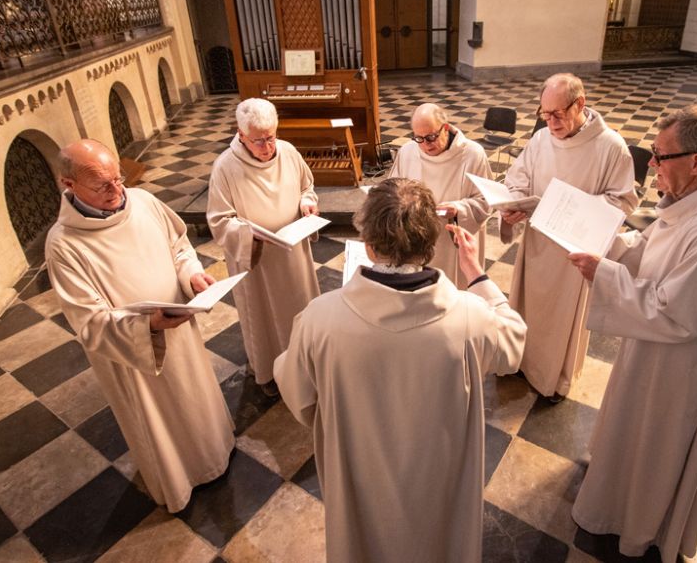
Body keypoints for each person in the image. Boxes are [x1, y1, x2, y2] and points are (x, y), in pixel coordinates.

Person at [273, 178, 526, 563]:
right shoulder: (471, 316)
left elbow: (299, 395)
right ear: (431, 245)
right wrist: (476, 274)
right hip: (439, 481)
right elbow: (514, 344)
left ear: (368, 244)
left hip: (360, 479)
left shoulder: (320, 318)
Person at [567, 104, 697, 562]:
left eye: (660, 155)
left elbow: (676, 314)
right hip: (657, 352)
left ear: (696, 162)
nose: (652, 164)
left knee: (654, 446)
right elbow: (654, 248)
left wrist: (605, 274)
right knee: (632, 434)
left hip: (679, 367)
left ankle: (634, 526)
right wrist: (609, 247)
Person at [45, 139, 234, 513]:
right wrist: (147, 325)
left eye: (118, 178)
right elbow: (90, 321)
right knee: (161, 419)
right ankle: (180, 481)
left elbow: (179, 247)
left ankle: (216, 451)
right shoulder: (64, 245)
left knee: (195, 397)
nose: (116, 190)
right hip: (136, 354)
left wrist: (192, 275)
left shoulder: (144, 203)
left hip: (180, 330)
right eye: (102, 185)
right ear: (68, 184)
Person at [502, 73, 636, 402]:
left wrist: (574, 208)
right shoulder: (540, 139)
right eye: (544, 114)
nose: (550, 122)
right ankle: (523, 361)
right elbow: (518, 177)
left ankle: (553, 379)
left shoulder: (611, 147)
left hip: (574, 252)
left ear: (580, 104)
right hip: (537, 241)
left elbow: (623, 201)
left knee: (561, 318)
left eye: (557, 114)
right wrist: (514, 202)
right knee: (529, 306)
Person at [207, 98, 321, 397]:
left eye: (271, 137)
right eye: (258, 140)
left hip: (293, 255)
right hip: (256, 261)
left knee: (300, 309)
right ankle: (269, 370)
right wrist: (250, 236)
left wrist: (307, 203)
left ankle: (307, 362)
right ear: (241, 134)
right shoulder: (225, 167)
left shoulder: (289, 152)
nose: (267, 146)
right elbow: (219, 221)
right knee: (265, 319)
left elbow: (306, 187)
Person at [388, 102, 492, 287]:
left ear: (445, 128)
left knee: (453, 292)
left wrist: (459, 209)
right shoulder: (408, 152)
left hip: (451, 242)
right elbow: (391, 192)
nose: (426, 145)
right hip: (415, 241)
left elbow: (486, 202)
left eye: (431, 137)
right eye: (419, 138)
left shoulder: (472, 154)